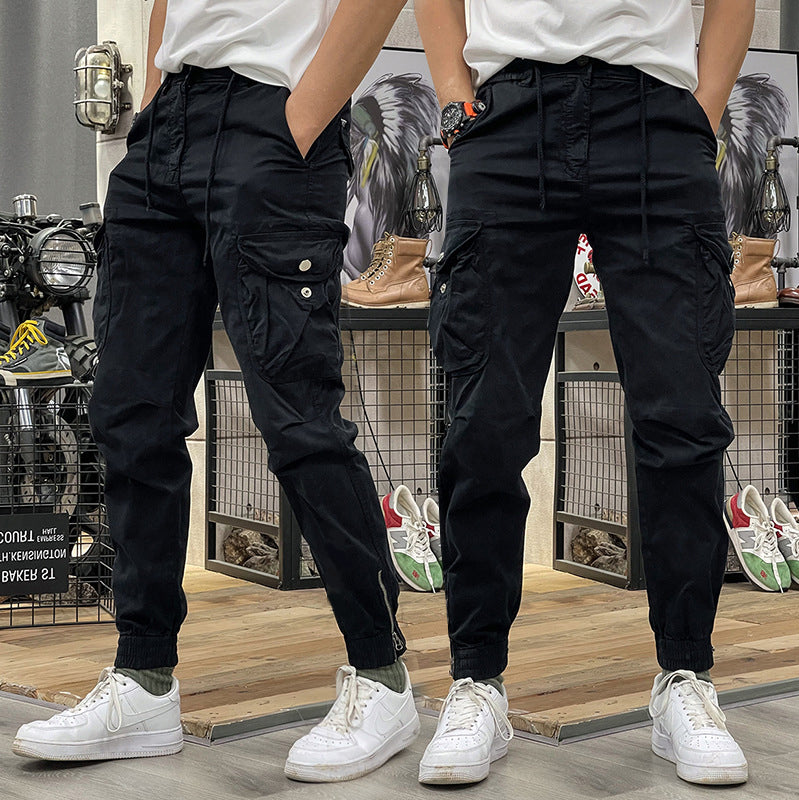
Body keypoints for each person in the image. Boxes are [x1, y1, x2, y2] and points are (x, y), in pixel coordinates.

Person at [13, 0, 420, 783]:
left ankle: (381, 673)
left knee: (298, 421)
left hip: (275, 116)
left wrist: (304, 116)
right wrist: (157, 98)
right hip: (168, 127)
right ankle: (144, 678)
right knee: (131, 415)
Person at [415, 0, 754, 786]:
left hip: (657, 115)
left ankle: (686, 675)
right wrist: (455, 100)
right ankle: (477, 679)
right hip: (508, 114)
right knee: (484, 424)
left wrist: (701, 112)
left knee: (683, 418)